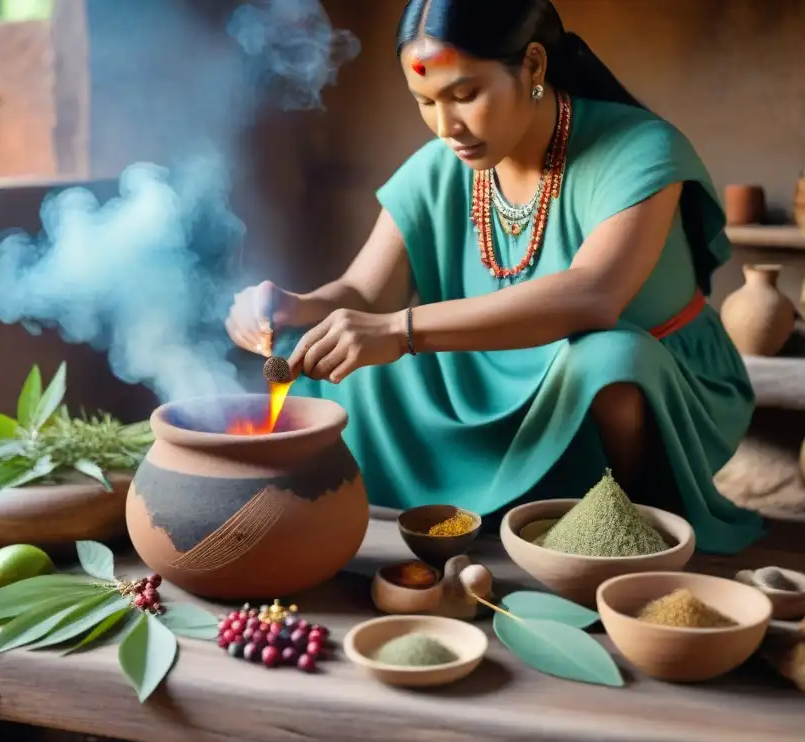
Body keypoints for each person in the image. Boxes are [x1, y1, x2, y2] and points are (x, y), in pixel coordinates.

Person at [224, 0, 764, 554]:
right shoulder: (441, 164)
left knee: (609, 357)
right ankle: (356, 514)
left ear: (532, 66)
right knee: (311, 349)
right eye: (425, 102)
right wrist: (292, 305)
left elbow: (594, 295)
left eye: (464, 95)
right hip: (483, 372)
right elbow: (363, 293)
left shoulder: (642, 147)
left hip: (643, 383)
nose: (446, 126)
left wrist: (399, 332)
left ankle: (628, 528)